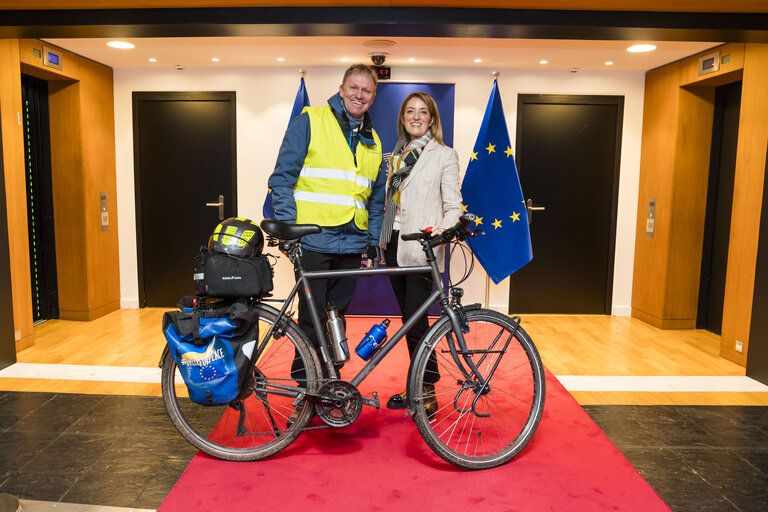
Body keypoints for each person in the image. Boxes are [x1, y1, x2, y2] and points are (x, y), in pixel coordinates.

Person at [268, 64, 386, 384]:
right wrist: (289, 228)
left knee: (337, 317)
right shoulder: (310, 121)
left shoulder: (372, 141)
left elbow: (375, 200)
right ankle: (305, 387)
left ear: (373, 97)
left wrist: (373, 239)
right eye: (354, 88)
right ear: (342, 88)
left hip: (352, 243)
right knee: (311, 319)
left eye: (366, 90)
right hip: (313, 239)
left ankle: (330, 380)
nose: (359, 95)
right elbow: (282, 180)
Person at [379, 91, 462, 415]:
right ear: (402, 118)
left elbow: (453, 207)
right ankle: (418, 385)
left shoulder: (444, 155)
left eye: (422, 112)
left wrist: (443, 230)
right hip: (394, 243)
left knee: (416, 322)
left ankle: (426, 390)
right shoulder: (395, 156)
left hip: (422, 246)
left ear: (431, 119)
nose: (416, 116)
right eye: (410, 111)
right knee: (408, 319)